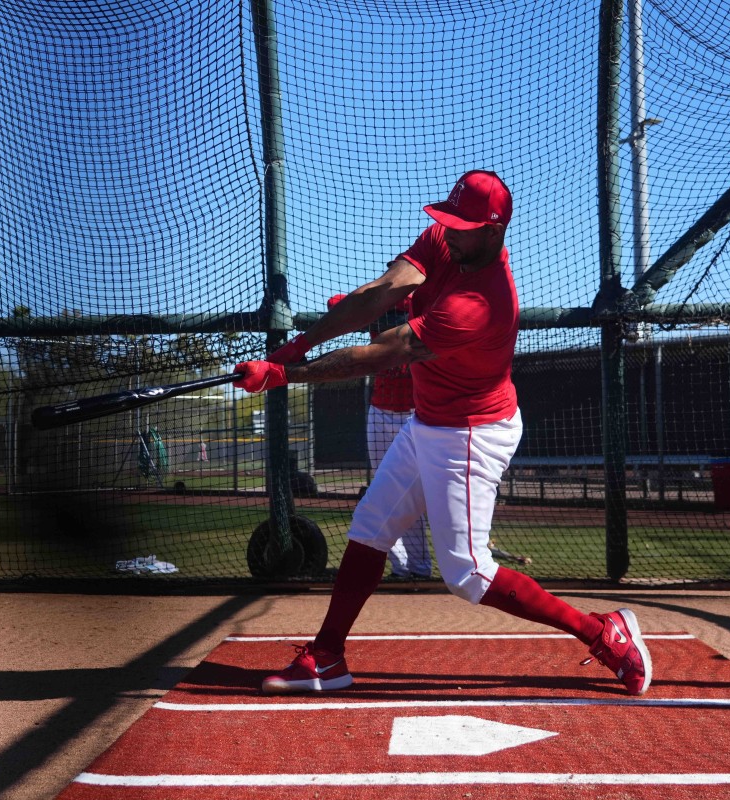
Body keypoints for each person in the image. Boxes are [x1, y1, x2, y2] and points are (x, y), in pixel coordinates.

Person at [233, 170, 651, 696]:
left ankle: (602, 631)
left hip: (471, 434)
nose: (449, 232)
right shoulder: (444, 239)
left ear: (493, 231)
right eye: (448, 221)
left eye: (463, 227)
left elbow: (381, 353)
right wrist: (296, 347)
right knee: (371, 525)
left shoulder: (482, 303)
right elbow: (379, 293)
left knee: (468, 573)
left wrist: (285, 375)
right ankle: (327, 656)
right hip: (429, 421)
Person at [327, 292, 432, 579]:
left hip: (416, 414)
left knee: (409, 496)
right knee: (381, 493)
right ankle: (401, 568)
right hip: (380, 411)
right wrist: (382, 299)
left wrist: (406, 299)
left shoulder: (423, 303)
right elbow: (335, 303)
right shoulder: (383, 302)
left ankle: (419, 568)